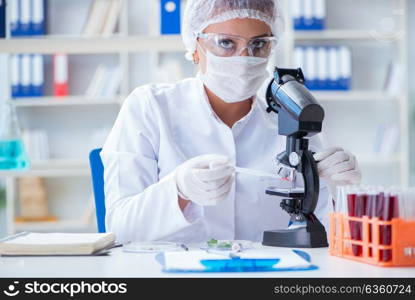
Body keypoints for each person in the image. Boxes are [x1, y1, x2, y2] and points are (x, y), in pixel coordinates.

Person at [101, 0, 361, 244]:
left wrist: (340, 190)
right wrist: (179, 190)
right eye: (225, 43)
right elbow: (121, 229)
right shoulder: (151, 107)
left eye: (258, 44)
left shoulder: (292, 118)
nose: (244, 57)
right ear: (194, 47)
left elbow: (330, 236)